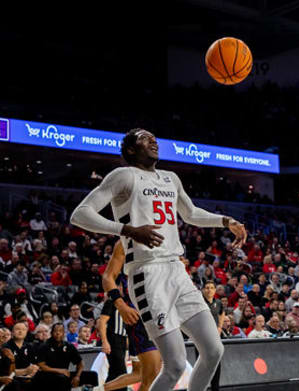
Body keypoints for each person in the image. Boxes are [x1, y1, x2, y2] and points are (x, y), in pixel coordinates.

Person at [70, 128, 247, 391]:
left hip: (177, 269)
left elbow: (190, 213)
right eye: (144, 138)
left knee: (213, 349)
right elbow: (80, 214)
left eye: (154, 138)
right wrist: (127, 230)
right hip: (147, 274)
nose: (153, 141)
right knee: (174, 365)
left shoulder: (170, 178)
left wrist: (226, 221)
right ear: (130, 150)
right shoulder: (124, 175)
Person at [101, 241, 162, 391]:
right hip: (136, 315)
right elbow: (108, 277)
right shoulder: (124, 242)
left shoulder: (164, 239)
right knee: (152, 372)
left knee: (142, 373)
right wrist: (121, 305)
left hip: (158, 313)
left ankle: (96, 390)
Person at [33, 323, 97, 391]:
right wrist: (60, 371)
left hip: (65, 373)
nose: (58, 333)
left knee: (92, 375)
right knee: (62, 378)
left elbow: (80, 363)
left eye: (60, 331)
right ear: (51, 333)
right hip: (47, 375)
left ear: (64, 333)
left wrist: (77, 376)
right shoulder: (44, 346)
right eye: (55, 331)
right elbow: (42, 366)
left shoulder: (69, 346)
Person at [3, 322, 39, 390]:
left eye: (23, 329)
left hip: (27, 376)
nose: (20, 331)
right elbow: (7, 371)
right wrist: (25, 371)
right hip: (12, 378)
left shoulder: (30, 346)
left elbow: (34, 364)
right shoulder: (6, 348)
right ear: (12, 332)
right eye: (17, 329)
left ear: (26, 332)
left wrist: (32, 372)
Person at [200, 281, 222, 391]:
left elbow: (222, 313)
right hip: (202, 339)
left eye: (212, 288)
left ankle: (215, 388)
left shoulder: (218, 302)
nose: (209, 290)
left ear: (215, 290)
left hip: (215, 338)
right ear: (203, 290)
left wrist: (220, 326)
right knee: (202, 366)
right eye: (207, 288)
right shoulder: (199, 302)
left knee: (216, 364)